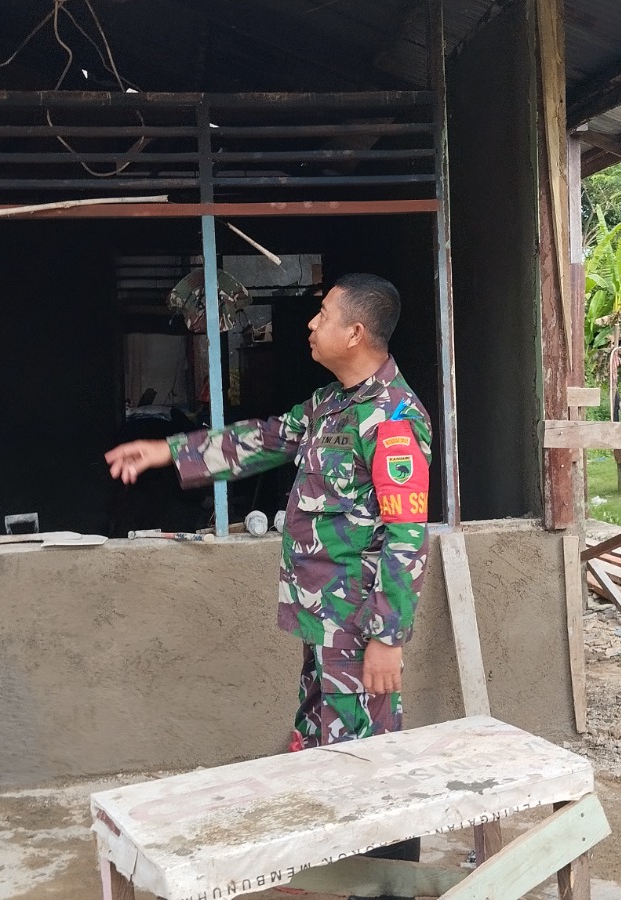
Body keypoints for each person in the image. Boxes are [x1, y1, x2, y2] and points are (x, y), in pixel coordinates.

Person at [105, 273, 431, 899]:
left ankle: (387, 886)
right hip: (324, 621)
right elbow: (264, 438)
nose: (311, 323)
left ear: (355, 332)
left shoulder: (393, 419)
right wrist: (166, 452)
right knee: (322, 741)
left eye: (324, 315)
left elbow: (406, 536)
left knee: (368, 759)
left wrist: (388, 637)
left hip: (359, 625)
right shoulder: (332, 404)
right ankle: (328, 871)